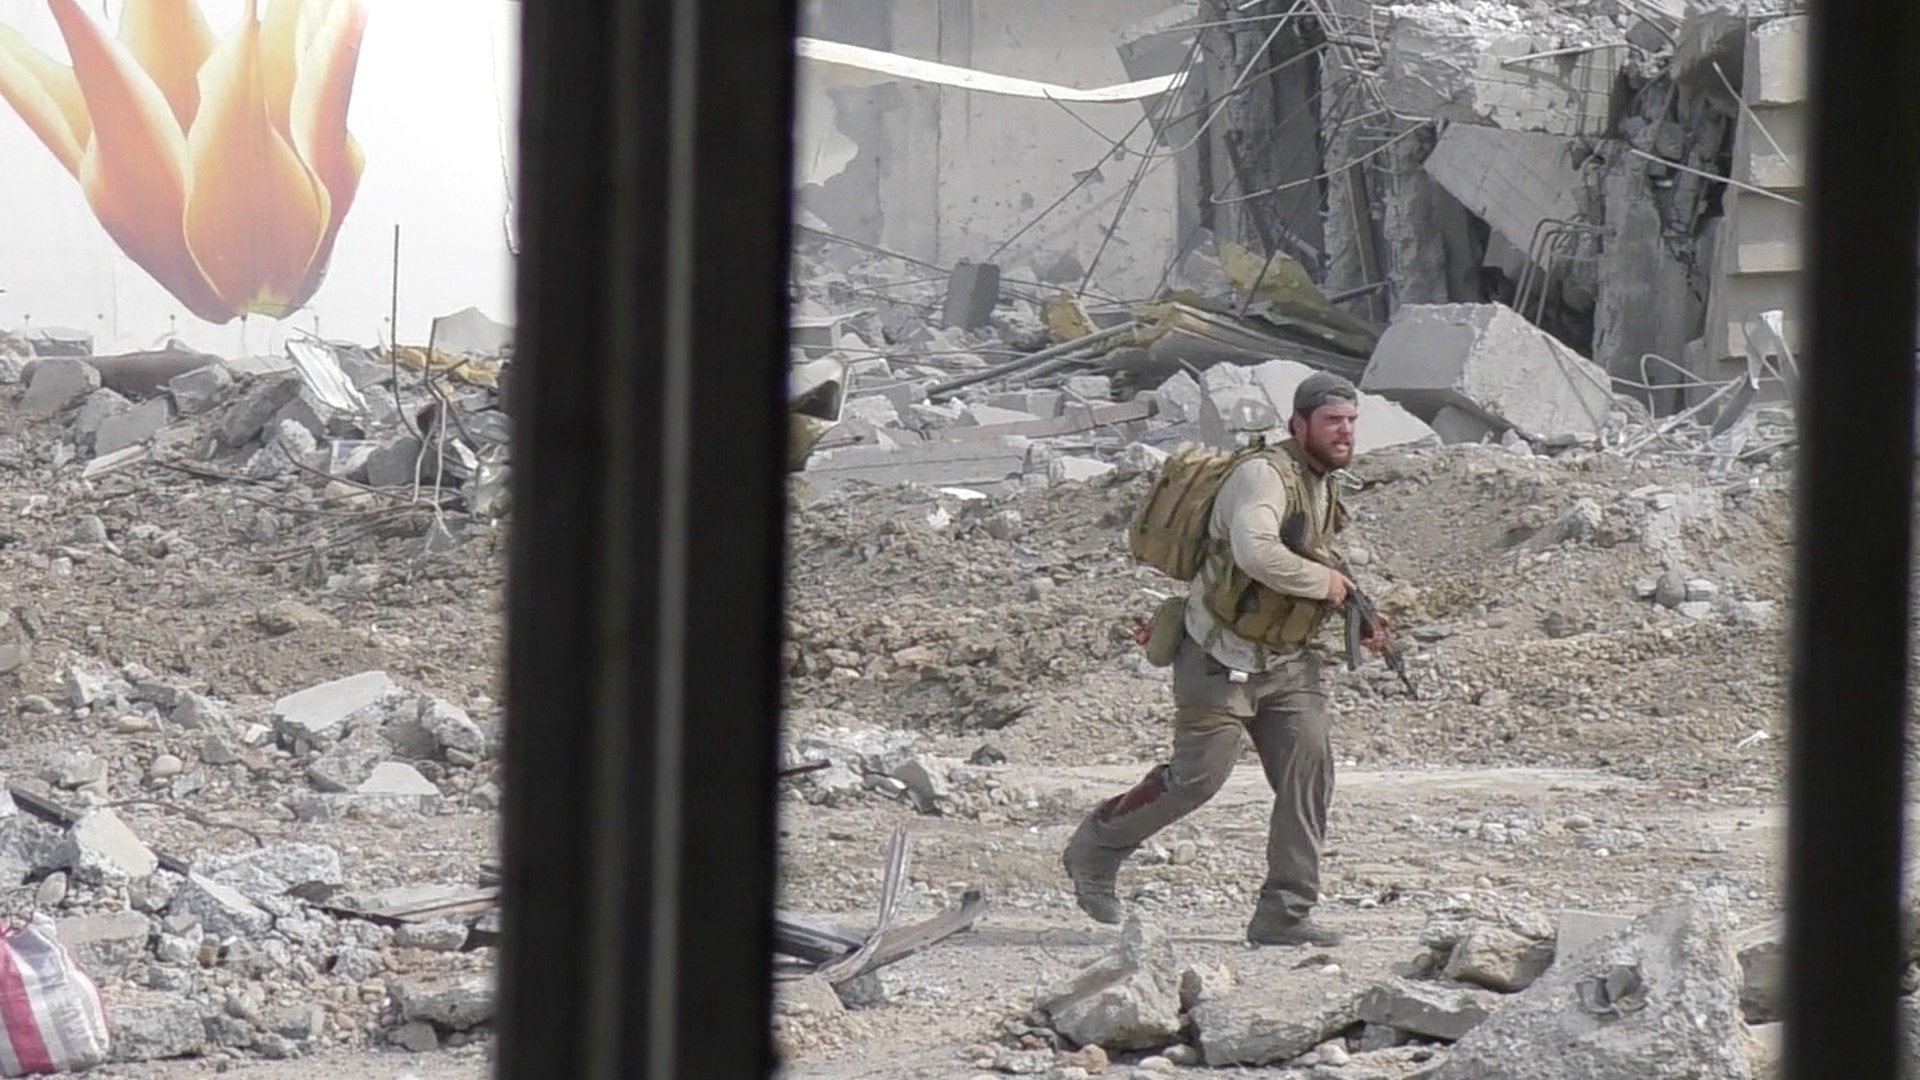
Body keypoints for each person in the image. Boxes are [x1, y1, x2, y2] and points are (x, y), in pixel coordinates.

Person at [1062, 371, 1386, 946]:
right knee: (1194, 782)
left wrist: (1356, 610)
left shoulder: (1324, 480)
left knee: (1307, 777)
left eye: (1351, 423)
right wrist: (1326, 585)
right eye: (1333, 422)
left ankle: (1284, 914)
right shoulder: (1262, 476)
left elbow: (1314, 554)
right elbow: (1256, 552)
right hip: (1218, 657)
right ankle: (1096, 847)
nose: (1345, 434)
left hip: (1288, 663)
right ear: (1298, 424)